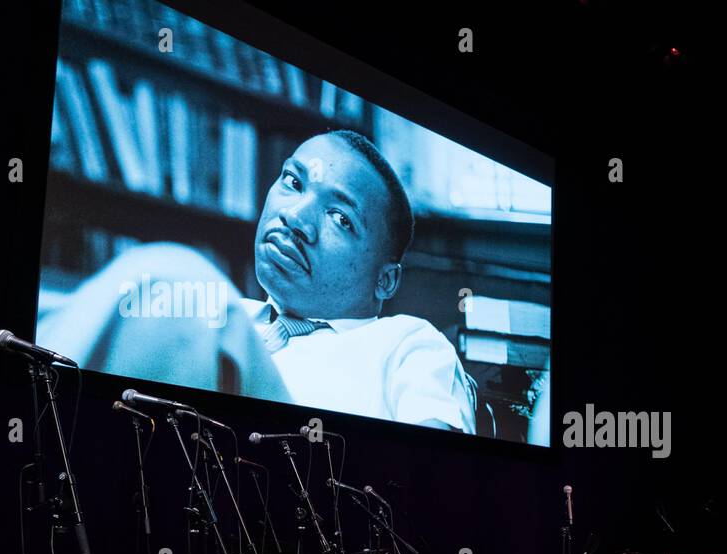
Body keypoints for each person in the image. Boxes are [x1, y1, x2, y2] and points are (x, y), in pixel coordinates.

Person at [38, 130, 475, 432]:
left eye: (341, 218)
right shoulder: (234, 319)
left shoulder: (407, 344)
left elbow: (433, 476)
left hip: (298, 508)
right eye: (293, 181)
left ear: (386, 280)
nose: (297, 217)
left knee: (169, 282)